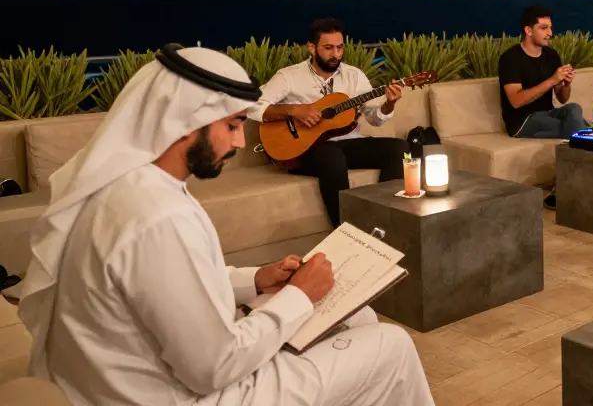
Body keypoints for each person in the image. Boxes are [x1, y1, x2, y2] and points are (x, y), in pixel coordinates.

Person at [19, 46, 432, 405]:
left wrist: (257, 278)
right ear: (186, 123)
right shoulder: (158, 216)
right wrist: (300, 295)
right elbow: (213, 368)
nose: (239, 142)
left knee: (358, 318)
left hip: (149, 372)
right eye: (232, 126)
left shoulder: (125, 188)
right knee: (392, 344)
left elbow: (167, 282)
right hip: (180, 394)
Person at [251, 18, 408, 227]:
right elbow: (253, 107)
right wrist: (294, 110)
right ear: (311, 47)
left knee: (399, 149)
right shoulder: (289, 76)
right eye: (328, 48)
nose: (336, 54)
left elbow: (375, 119)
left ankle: (384, 221)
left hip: (348, 144)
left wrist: (389, 104)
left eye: (339, 47)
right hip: (305, 150)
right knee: (332, 157)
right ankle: (347, 231)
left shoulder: (354, 76)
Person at [498, 5, 588, 138]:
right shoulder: (510, 58)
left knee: (574, 108)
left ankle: (584, 135)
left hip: (548, 114)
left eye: (550, 27)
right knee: (574, 126)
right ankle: (587, 135)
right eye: (544, 28)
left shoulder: (551, 55)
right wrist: (552, 80)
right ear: (528, 31)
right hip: (522, 121)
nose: (550, 33)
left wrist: (566, 84)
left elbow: (562, 99)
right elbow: (516, 101)